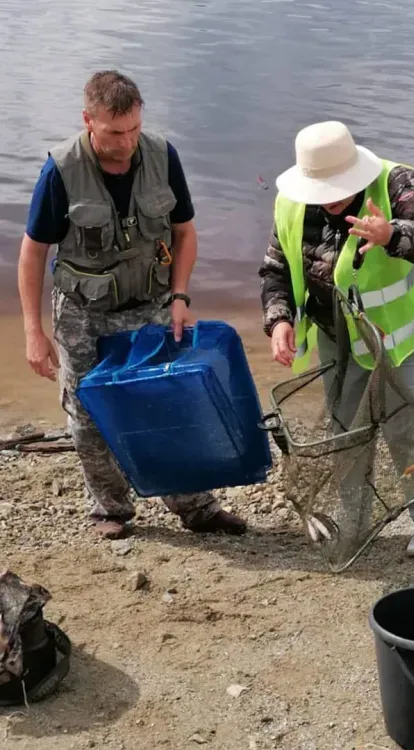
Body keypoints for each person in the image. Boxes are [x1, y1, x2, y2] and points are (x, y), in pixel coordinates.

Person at [18, 70, 247, 540]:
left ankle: (196, 507)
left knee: (169, 402)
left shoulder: (163, 156)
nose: (126, 143)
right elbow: (33, 251)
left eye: (134, 130)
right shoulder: (61, 169)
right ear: (89, 120)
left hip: (152, 304)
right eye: (114, 132)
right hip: (84, 311)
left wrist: (181, 295)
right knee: (87, 412)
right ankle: (111, 509)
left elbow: (184, 232)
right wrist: (32, 331)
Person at [259, 120, 414, 556]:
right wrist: (280, 321)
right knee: (345, 429)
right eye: (321, 192)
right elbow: (275, 270)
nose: (329, 200)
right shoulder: (291, 204)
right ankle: (355, 521)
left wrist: (391, 235)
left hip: (406, 334)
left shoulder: (397, 183)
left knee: (406, 427)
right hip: (339, 335)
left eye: (338, 190)